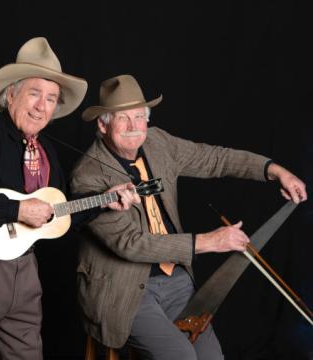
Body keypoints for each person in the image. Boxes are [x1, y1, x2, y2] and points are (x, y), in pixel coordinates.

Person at [69, 74, 307, 360]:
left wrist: (274, 171)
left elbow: (214, 158)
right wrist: (209, 242)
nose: (133, 127)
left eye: (139, 116)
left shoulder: (158, 142)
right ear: (103, 124)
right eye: (122, 118)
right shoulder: (88, 175)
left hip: (176, 280)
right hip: (125, 291)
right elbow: (131, 244)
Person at [0, 39, 140, 360]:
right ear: (11, 94)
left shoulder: (46, 153)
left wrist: (104, 200)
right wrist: (17, 209)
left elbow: (56, 213)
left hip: (23, 271)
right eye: (34, 93)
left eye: (51, 99)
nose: (41, 106)